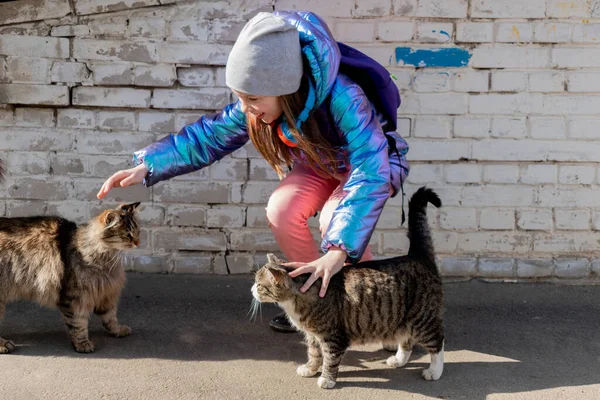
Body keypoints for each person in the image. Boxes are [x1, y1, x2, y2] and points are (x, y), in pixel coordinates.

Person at [97, 10, 409, 332]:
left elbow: (371, 166)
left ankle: (373, 313)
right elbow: (208, 137)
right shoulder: (259, 102)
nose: (246, 107)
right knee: (282, 209)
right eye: (240, 98)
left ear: (285, 87)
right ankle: (309, 301)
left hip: (371, 166)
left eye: (252, 98)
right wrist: (148, 166)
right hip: (318, 163)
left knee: (336, 223)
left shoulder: (344, 96)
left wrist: (340, 250)